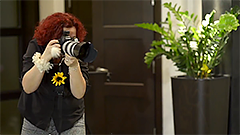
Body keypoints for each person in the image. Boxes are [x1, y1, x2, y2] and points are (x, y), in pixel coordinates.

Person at [18, 12, 89, 135]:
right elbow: (28, 87)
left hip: (70, 121)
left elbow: (79, 93)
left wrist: (74, 66)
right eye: (65, 37)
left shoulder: (78, 50)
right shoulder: (37, 46)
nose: (69, 41)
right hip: (36, 120)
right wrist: (44, 59)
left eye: (73, 38)